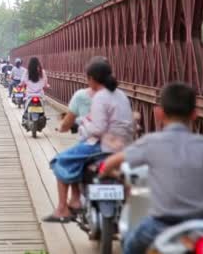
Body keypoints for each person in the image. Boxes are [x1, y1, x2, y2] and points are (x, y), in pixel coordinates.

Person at [100, 82, 203, 254]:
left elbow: (113, 161)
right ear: (195, 114)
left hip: (162, 224)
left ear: (158, 113)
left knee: (129, 245)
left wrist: (105, 171)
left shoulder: (151, 143)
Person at [43, 60, 134, 223]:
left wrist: (84, 125)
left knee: (60, 161)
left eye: (88, 78)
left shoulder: (100, 96)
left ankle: (64, 208)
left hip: (102, 146)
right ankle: (77, 200)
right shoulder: (121, 95)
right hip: (124, 145)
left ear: (92, 78)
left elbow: (98, 128)